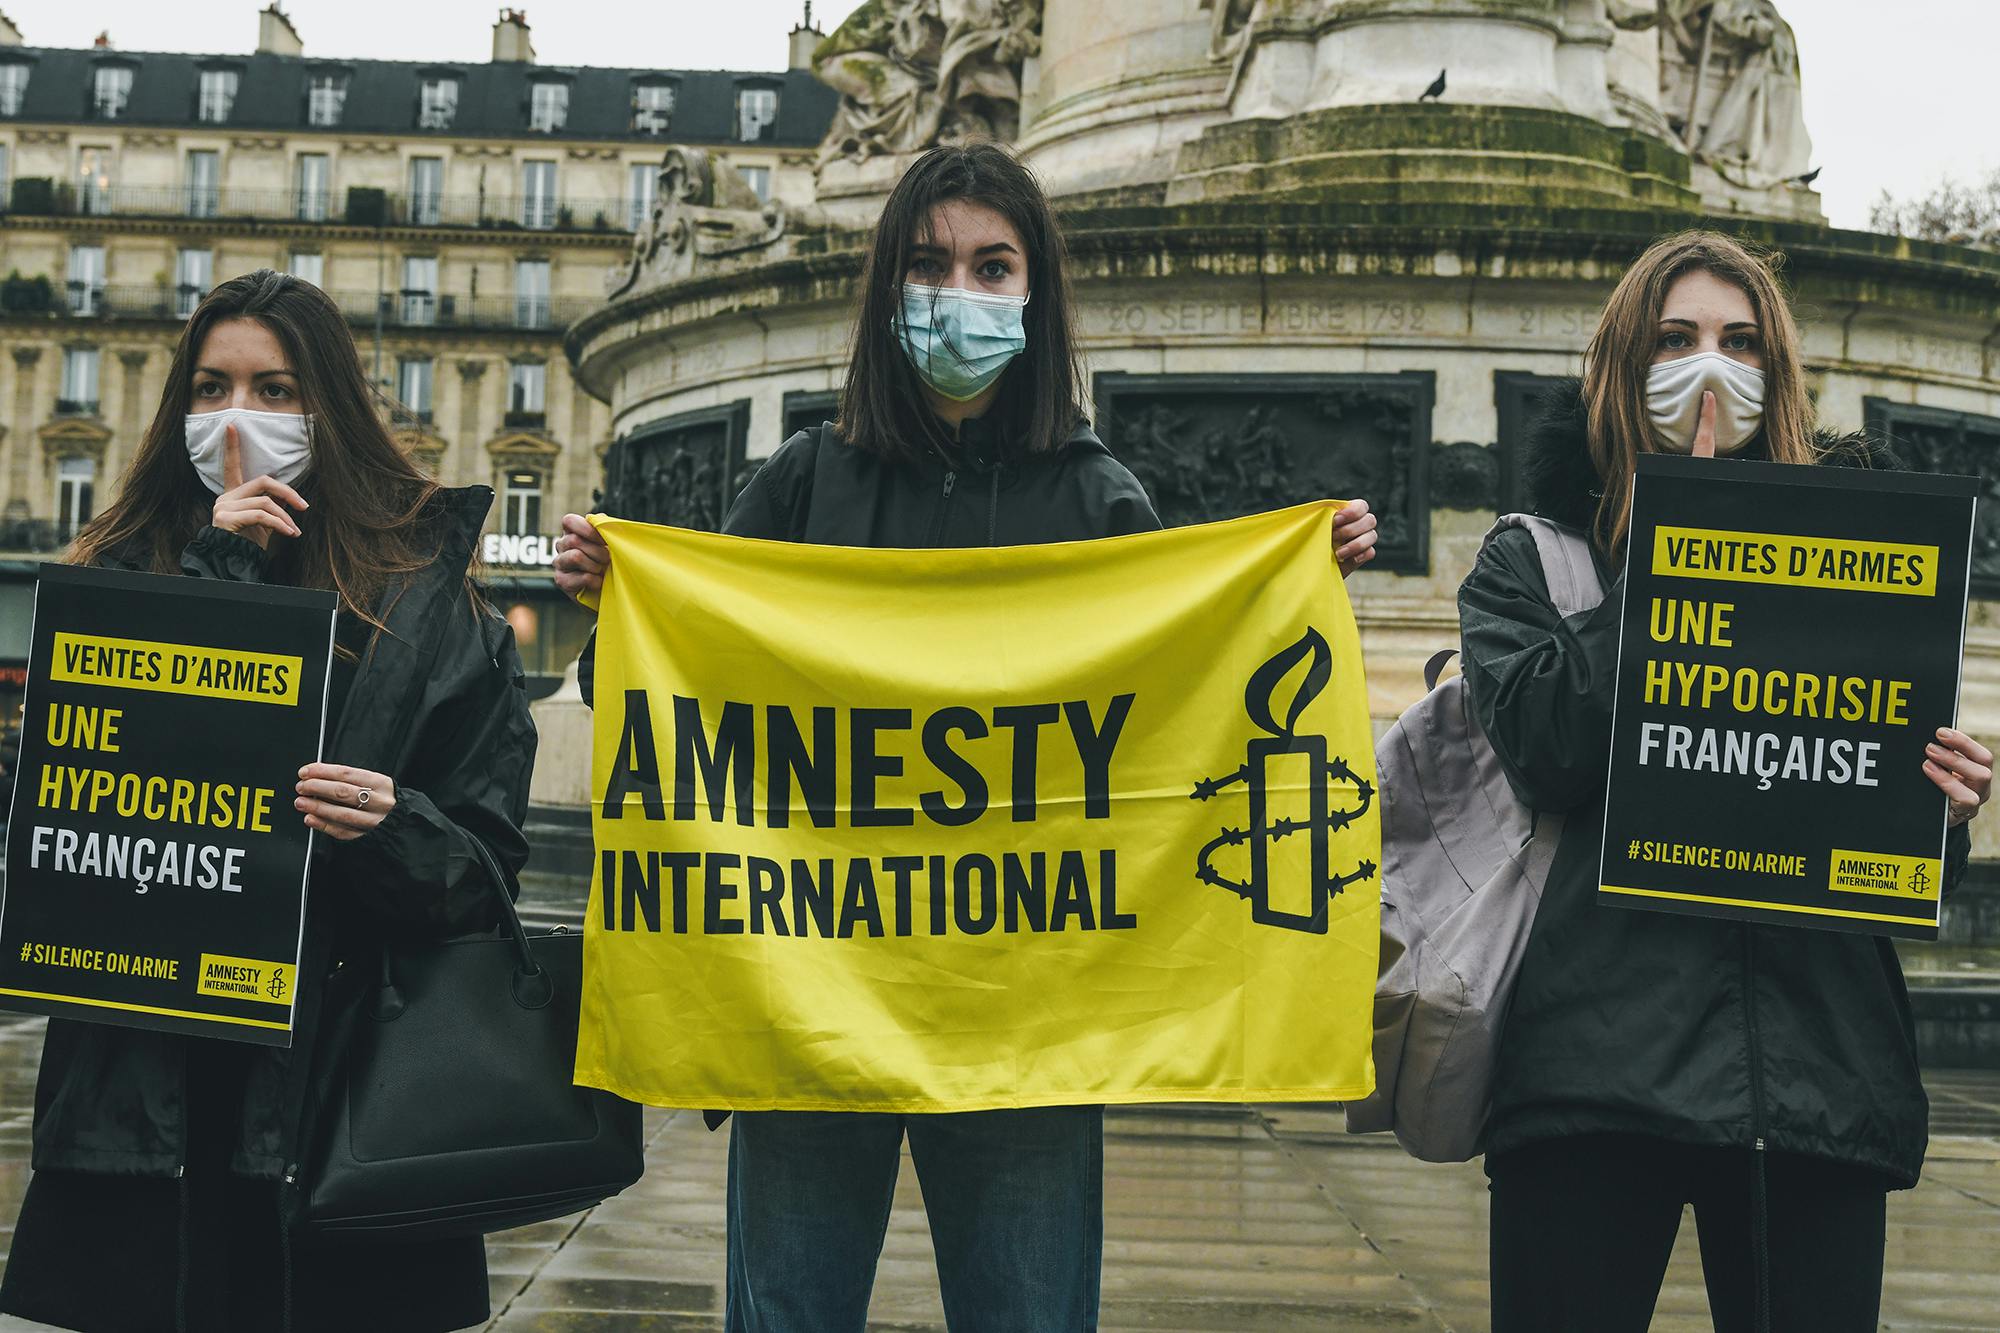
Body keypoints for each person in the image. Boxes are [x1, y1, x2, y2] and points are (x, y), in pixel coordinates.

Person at [552, 141, 1379, 1330]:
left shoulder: (1096, 502)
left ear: (1035, 297)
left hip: (1024, 1023)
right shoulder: (800, 485)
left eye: (993, 266)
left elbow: (1176, 722)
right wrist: (617, 609)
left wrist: (1290, 591)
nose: (961, 291)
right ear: (886, 285)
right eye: (932, 263)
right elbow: (672, 701)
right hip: (811, 1002)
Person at [1460, 230, 1992, 1333]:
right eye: (1676, 339)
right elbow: (1550, 745)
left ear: (1777, 370)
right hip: (1597, 1076)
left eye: (1740, 342)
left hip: (1818, 1080)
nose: (1711, 367)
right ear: (1620, 365)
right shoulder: (1531, 561)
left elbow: (1870, 826)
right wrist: (1684, 535)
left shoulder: (1861, 566)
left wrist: (1940, 805)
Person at [0, 270, 537, 1332]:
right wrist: (213, 577)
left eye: (276, 390)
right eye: (209, 388)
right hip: (145, 1108)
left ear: (327, 408)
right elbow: (52, 839)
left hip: (342, 1103)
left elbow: (481, 878)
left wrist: (392, 826)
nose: (237, 417)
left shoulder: (430, 610)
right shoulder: (115, 578)